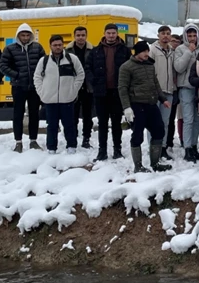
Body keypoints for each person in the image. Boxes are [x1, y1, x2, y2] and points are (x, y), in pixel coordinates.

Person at [118, 40, 171, 172]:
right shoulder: (126, 67)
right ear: (136, 53)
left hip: (151, 103)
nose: (147, 54)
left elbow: (155, 83)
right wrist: (127, 107)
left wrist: (163, 99)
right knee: (137, 134)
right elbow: (122, 88)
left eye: (147, 51)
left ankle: (155, 163)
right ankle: (138, 166)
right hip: (136, 105)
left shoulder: (149, 65)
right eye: (144, 51)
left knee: (159, 130)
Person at [86, 22, 131, 161]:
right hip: (101, 93)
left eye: (113, 33)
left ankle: (117, 150)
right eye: (108, 33)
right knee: (102, 123)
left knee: (117, 123)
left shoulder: (125, 50)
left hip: (118, 92)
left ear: (117, 34)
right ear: (104, 34)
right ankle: (102, 151)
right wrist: (94, 82)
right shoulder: (96, 51)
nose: (111, 36)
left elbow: (130, 69)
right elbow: (87, 68)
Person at [33, 34, 84, 154]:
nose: (58, 47)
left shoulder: (72, 59)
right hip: (50, 100)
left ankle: (71, 146)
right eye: (55, 45)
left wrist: (73, 90)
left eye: (60, 45)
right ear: (50, 46)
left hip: (67, 99)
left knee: (69, 124)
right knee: (51, 126)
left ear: (63, 45)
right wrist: (42, 93)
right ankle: (51, 148)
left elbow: (80, 75)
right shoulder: (44, 61)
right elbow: (37, 77)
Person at [0, 22, 46, 153]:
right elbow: (3, 66)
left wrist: (40, 77)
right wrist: (16, 75)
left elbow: (45, 63)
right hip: (18, 86)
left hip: (35, 87)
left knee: (34, 114)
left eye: (27, 35)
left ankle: (33, 140)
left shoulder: (37, 48)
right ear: (18, 36)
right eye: (23, 35)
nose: (25, 38)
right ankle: (18, 142)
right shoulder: (10, 49)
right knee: (18, 114)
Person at [173, 23, 199, 162]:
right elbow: (178, 67)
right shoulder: (180, 49)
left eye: (194, 35)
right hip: (186, 87)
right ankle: (187, 147)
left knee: (198, 120)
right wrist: (188, 52)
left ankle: (194, 145)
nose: (192, 38)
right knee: (188, 119)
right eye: (189, 35)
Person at [149, 25, 176, 157]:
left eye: (168, 33)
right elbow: (148, 69)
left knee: (165, 121)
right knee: (153, 121)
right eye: (163, 33)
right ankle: (152, 147)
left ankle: (163, 147)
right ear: (158, 35)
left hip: (169, 91)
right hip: (155, 91)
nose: (166, 36)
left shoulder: (172, 51)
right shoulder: (152, 50)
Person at [66, 26, 94, 148]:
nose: (80, 37)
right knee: (73, 115)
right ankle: (73, 138)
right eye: (78, 35)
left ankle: (86, 138)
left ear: (86, 36)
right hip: (73, 87)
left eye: (83, 35)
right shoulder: (67, 51)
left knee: (88, 116)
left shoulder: (93, 50)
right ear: (74, 36)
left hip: (88, 87)